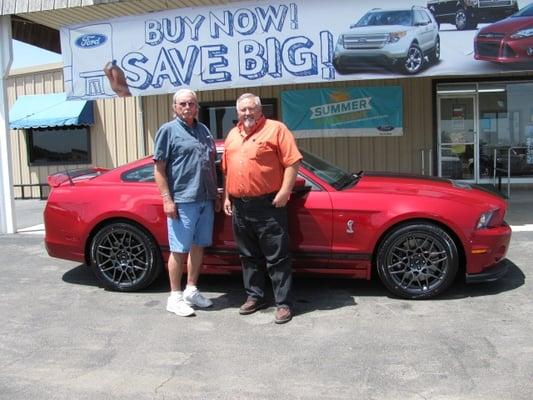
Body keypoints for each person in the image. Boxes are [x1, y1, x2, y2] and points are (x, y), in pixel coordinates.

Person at [222, 93, 302, 324]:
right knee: (248, 256)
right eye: (243, 110)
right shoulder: (232, 135)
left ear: (260, 110)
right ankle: (255, 297)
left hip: (268, 205)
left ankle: (283, 304)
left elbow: (292, 162)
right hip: (239, 207)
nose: (247, 113)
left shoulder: (276, 129)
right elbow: (227, 170)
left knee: (277, 258)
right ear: (237, 112)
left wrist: (285, 191)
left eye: (251, 109)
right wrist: (227, 197)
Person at [153, 88, 219, 317]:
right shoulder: (167, 131)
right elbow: (159, 169)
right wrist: (167, 200)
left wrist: (216, 195)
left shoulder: (203, 130)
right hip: (182, 200)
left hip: (205, 199)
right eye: (183, 104)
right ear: (175, 107)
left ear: (197, 106)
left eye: (191, 103)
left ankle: (191, 290)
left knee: (198, 246)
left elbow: (211, 164)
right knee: (179, 250)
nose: (188, 107)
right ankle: (175, 296)